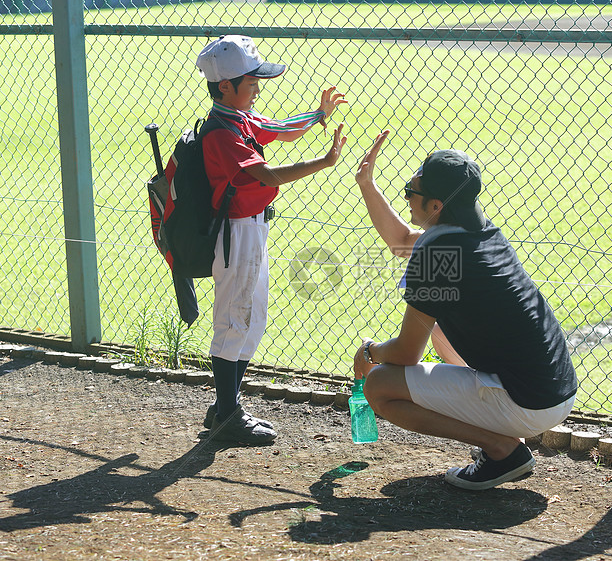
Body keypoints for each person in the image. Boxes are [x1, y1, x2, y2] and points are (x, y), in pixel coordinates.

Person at [352, 130, 578, 490]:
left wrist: (368, 352)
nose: (408, 199)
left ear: (436, 206)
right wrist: (367, 184)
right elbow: (401, 242)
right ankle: (502, 438)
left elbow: (407, 355)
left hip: (526, 401)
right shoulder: (479, 230)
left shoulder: (438, 257)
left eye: (412, 194)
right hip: (552, 390)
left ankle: (501, 448)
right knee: (437, 326)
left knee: (380, 385)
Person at [194, 35, 347, 445]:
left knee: (253, 320)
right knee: (234, 321)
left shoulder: (240, 118)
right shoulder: (221, 133)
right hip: (236, 233)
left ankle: (225, 406)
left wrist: (318, 114)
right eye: (252, 81)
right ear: (225, 86)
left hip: (253, 229)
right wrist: (326, 162)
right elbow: (269, 176)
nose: (259, 87)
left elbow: (281, 129)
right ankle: (227, 413)